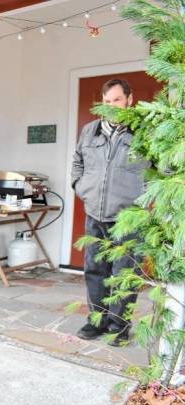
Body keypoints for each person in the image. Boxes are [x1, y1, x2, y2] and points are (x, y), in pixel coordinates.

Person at [71, 78, 149, 346]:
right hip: (95, 212)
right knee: (95, 270)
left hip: (128, 217)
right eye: (107, 101)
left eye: (117, 99)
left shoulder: (143, 130)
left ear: (129, 99)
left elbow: (158, 168)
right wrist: (80, 187)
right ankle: (98, 321)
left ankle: (119, 326)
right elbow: (77, 162)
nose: (112, 106)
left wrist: (143, 199)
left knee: (125, 273)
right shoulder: (90, 131)